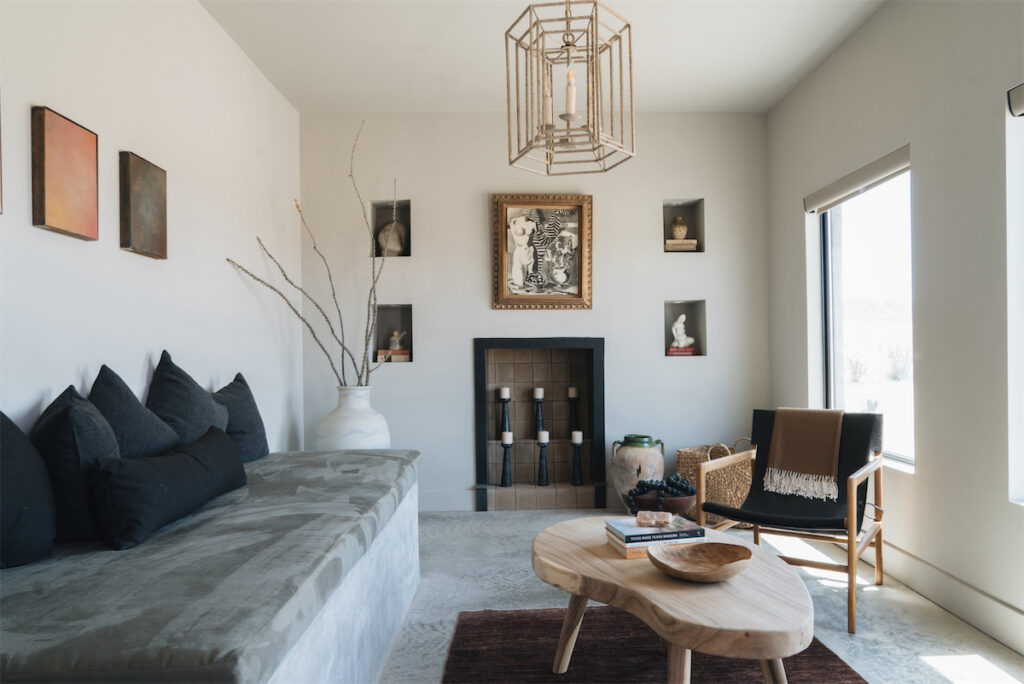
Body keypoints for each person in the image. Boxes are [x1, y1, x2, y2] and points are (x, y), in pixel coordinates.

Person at [508, 214, 536, 288]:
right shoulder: (515, 223)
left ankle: (521, 283)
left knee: (520, 267)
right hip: (524, 249)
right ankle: (522, 282)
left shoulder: (514, 223)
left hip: (524, 249)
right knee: (523, 267)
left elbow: (529, 232)